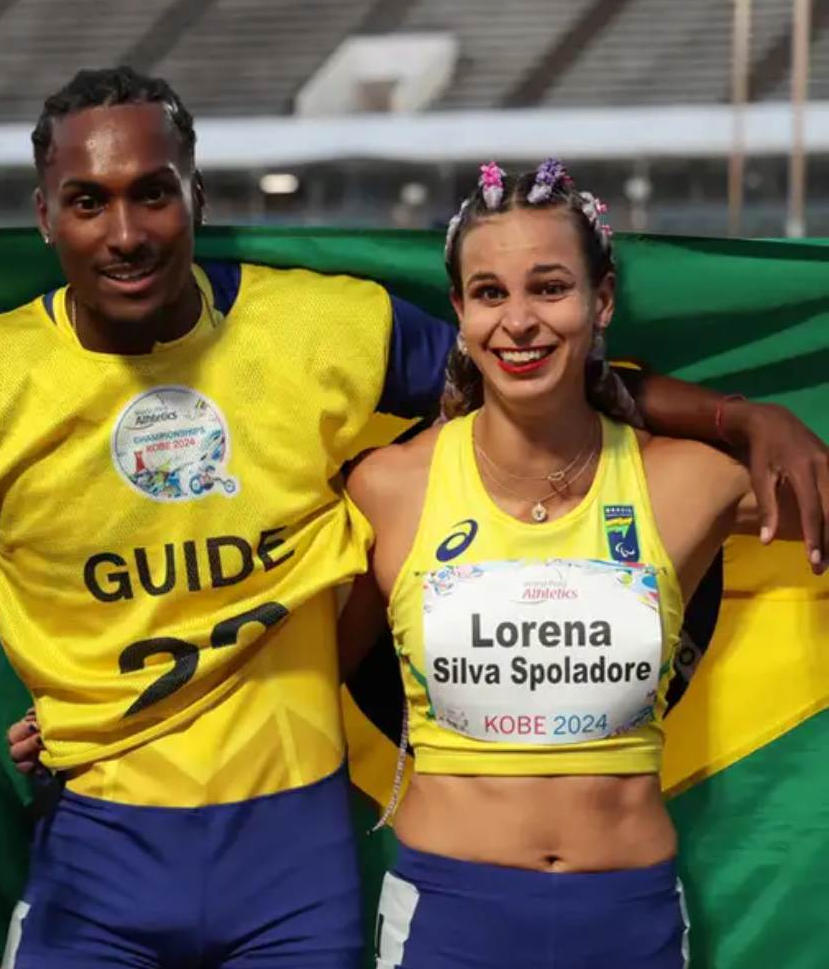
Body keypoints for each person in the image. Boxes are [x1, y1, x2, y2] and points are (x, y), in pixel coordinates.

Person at [0, 66, 829, 969]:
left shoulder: (328, 331)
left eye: (153, 192)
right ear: (46, 217)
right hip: (96, 843)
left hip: (293, 854)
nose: (125, 230)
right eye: (89, 201)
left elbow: (534, 369)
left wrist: (742, 418)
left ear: (196, 196)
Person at [342, 161, 806, 968]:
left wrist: (768, 423)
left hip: (627, 917)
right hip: (449, 916)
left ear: (602, 301)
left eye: (549, 288)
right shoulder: (389, 487)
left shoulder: (688, 482)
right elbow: (283, 674)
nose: (518, 321)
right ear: (459, 311)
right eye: (490, 293)